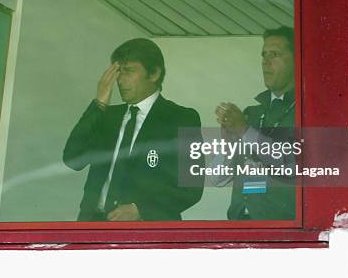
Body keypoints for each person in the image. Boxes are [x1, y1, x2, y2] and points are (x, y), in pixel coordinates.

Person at [63, 38, 203, 221]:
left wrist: (141, 210)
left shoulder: (181, 118)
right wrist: (98, 104)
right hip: (94, 228)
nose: (120, 80)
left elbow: (191, 188)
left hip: (147, 233)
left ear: (154, 74)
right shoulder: (107, 116)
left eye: (128, 71)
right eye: (118, 72)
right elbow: (73, 159)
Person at [214, 26, 296, 220]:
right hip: (239, 224)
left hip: (280, 230)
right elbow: (217, 178)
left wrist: (243, 129)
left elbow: (288, 164)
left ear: (298, 60)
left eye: (275, 54)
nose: (266, 61)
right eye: (264, 55)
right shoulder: (252, 113)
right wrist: (227, 142)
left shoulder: (308, 111)